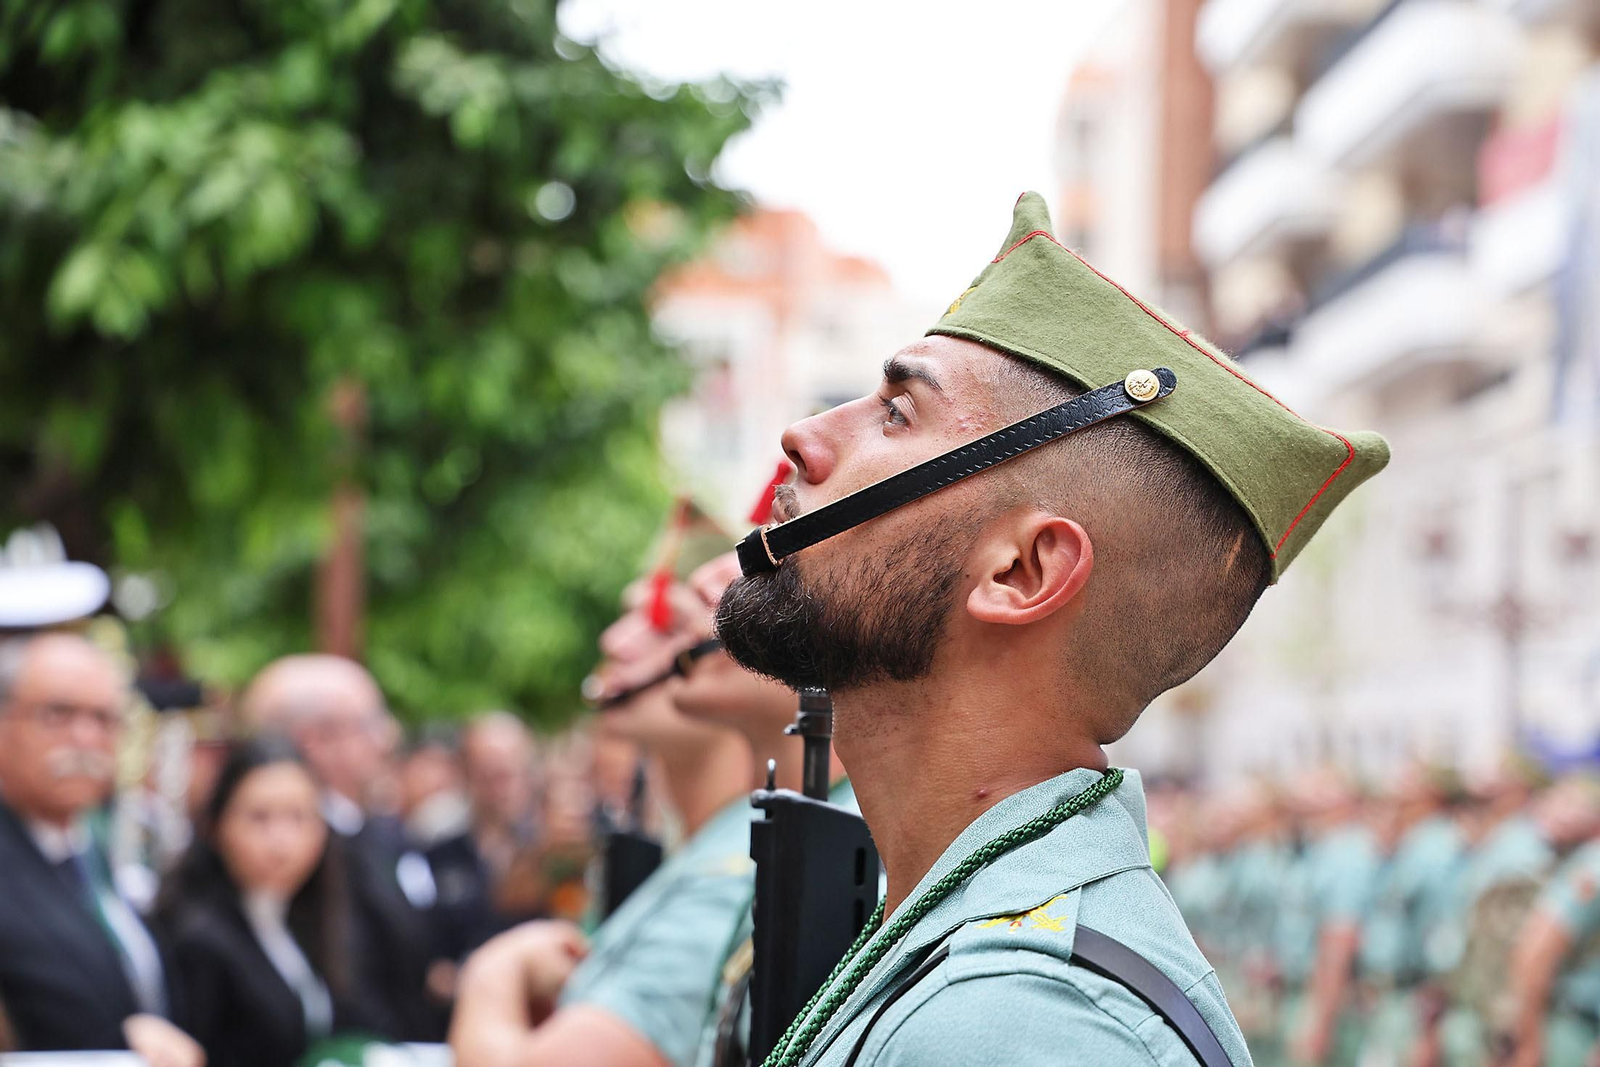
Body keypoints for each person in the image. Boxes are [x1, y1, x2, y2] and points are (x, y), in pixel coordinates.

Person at [711, 191, 1390, 1066]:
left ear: (1022, 572)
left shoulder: (1016, 1021)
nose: (803, 435)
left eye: (897, 413)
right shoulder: (957, 952)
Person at [451, 551, 756, 1067]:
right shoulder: (704, 849)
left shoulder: (733, 869)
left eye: (666, 625)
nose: (615, 643)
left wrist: (493, 972)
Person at [0, 632, 203, 1067]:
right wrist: (119, 1042)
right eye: (58, 713)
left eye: (105, 719)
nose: (85, 737)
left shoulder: (96, 845)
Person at [242, 654, 446, 1041]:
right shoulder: (305, 851)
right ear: (315, 740)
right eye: (370, 724)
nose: (387, 739)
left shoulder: (374, 830)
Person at [155, 736, 383, 1067]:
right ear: (217, 825)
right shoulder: (195, 939)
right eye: (259, 818)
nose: (281, 843)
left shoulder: (312, 920)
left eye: (298, 817)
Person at [429, 711, 543, 959]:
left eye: (511, 772)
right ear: (466, 774)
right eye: (490, 775)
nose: (502, 788)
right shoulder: (437, 856)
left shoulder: (553, 851)